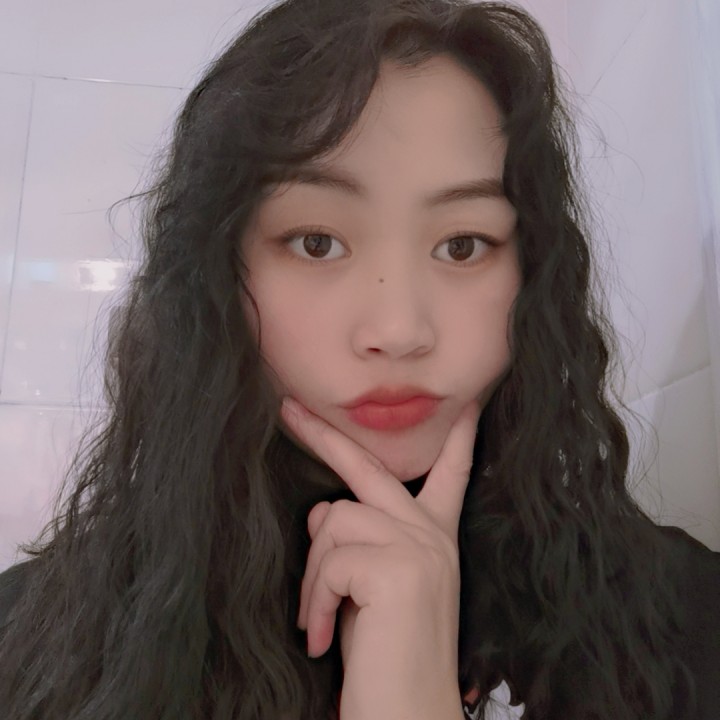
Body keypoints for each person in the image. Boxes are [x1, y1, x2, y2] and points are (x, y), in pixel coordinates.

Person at [0, 0, 718, 718]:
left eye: (463, 245)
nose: (399, 330)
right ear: (218, 276)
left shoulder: (682, 618)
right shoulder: (37, 642)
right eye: (317, 243)